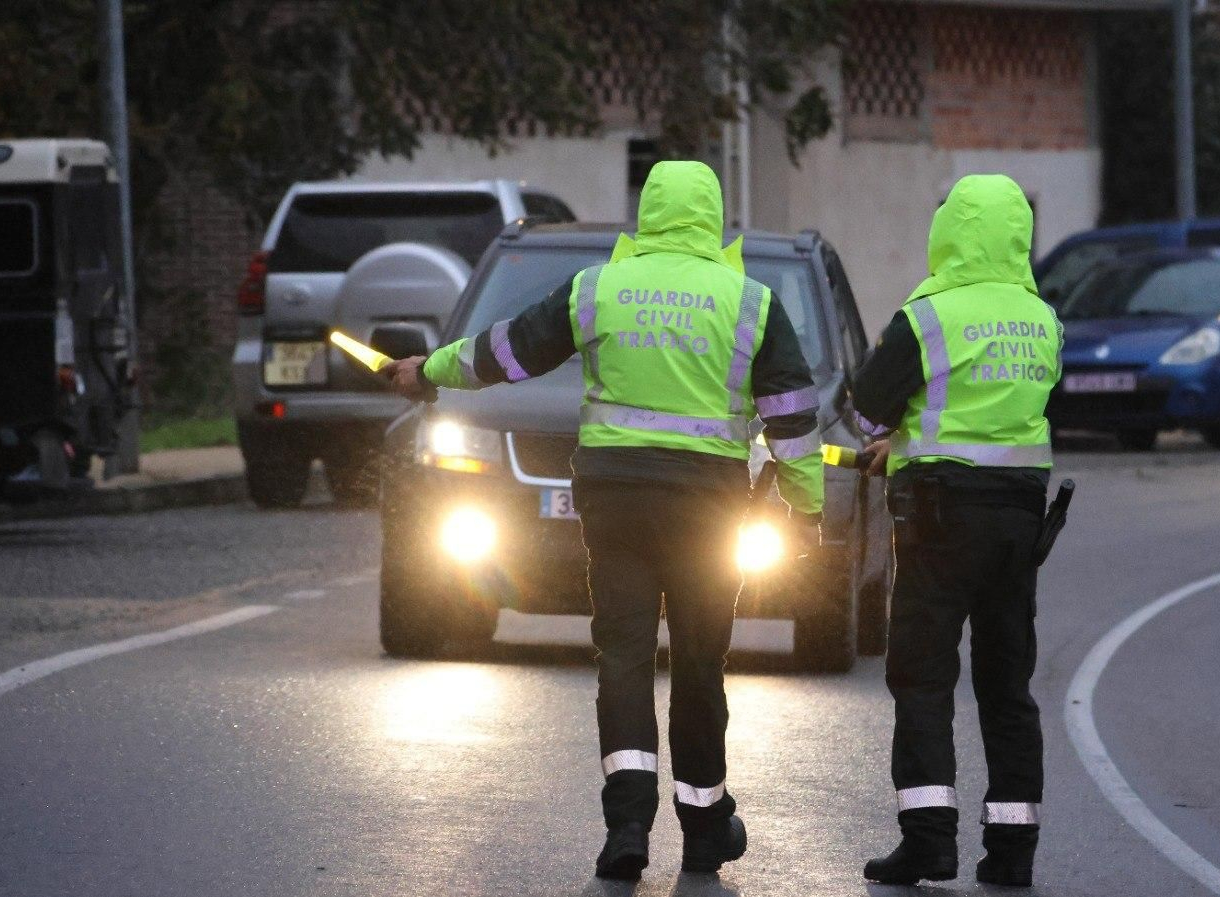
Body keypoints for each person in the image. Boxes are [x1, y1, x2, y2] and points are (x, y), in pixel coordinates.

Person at [382, 160, 824, 881]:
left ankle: (627, 824)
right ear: (711, 219)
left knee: (622, 657)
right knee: (699, 664)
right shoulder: (751, 302)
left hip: (615, 500)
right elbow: (794, 422)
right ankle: (706, 824)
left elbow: (509, 350)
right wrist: (803, 510)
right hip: (707, 507)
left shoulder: (599, 289)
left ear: (645, 215)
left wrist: (428, 371)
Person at [850, 174, 1062, 888]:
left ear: (951, 230)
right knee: (1007, 684)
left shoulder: (929, 314)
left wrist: (893, 437)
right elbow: (1009, 413)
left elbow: (870, 405)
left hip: (941, 516)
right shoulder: (1042, 318)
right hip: (1020, 521)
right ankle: (1012, 853)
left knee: (923, 676)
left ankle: (929, 843)